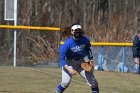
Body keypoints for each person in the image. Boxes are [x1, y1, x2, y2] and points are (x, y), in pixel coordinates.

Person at [55, 23, 99, 93]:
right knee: (65, 82)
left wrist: (90, 60)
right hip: (69, 63)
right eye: (76, 30)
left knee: (93, 82)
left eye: (79, 30)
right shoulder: (67, 44)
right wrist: (69, 69)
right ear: (72, 31)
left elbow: (88, 49)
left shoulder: (85, 39)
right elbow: (62, 59)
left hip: (82, 62)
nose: (77, 32)